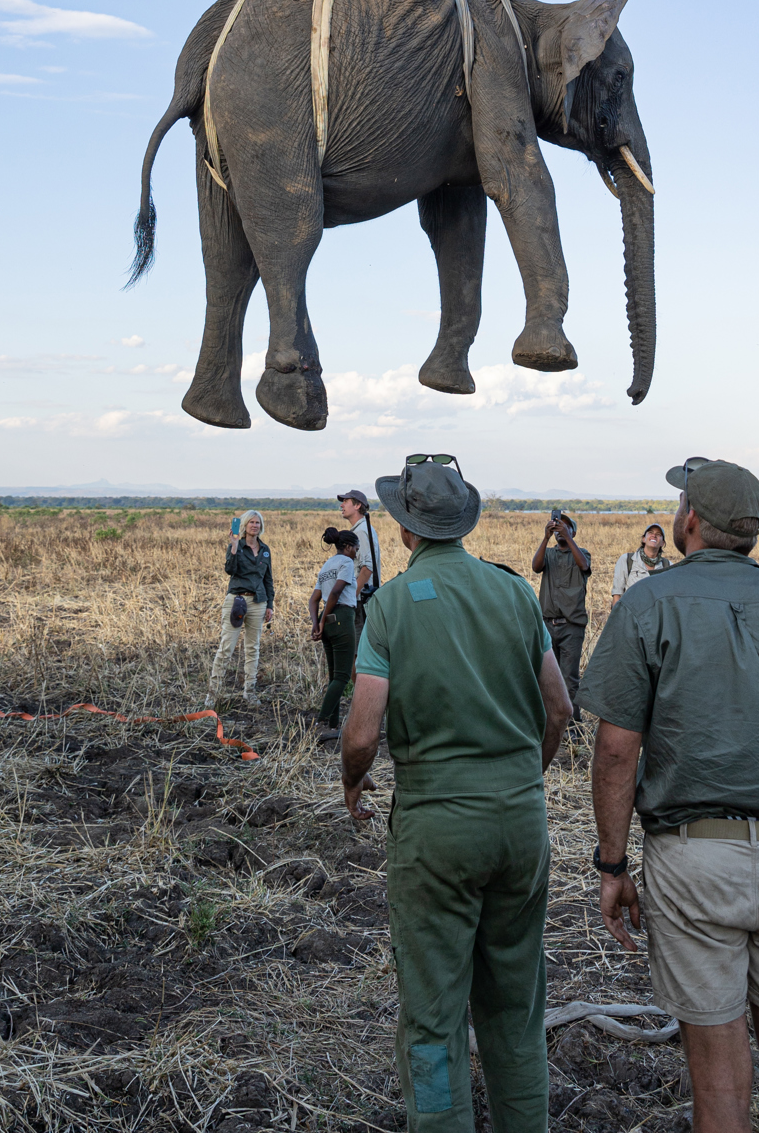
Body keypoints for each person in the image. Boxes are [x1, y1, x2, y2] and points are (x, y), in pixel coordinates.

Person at [578, 456, 759, 1133]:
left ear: (691, 521)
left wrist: (613, 865)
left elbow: (617, 749)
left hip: (694, 860)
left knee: (719, 1089)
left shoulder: (650, 601)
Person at [340, 453, 573, 1133]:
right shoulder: (511, 593)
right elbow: (558, 709)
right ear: (463, 522)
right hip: (520, 822)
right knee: (516, 1007)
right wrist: (525, 777)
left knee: (435, 1012)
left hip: (436, 825)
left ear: (404, 528)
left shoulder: (388, 609)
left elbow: (361, 732)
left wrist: (353, 785)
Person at [204, 509, 274, 707]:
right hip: (237, 600)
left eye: (257, 523)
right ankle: (213, 694)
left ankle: (249, 691)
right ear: (244, 525)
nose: (254, 525)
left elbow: (268, 579)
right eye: (251, 522)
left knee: (253, 648)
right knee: (226, 647)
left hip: (258, 602)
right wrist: (234, 547)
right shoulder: (236, 545)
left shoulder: (265, 550)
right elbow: (230, 570)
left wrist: (270, 605)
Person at [531, 511, 591, 718]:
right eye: (557, 527)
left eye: (565, 527)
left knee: (570, 678)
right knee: (547, 677)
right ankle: (551, 720)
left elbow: (584, 565)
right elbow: (535, 567)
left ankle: (573, 724)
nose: (560, 530)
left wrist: (568, 537)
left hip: (571, 626)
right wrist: (546, 537)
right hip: (548, 625)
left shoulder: (582, 553)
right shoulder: (548, 554)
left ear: (573, 532)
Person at [310, 526, 360, 738]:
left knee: (334, 677)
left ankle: (333, 726)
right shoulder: (347, 563)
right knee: (342, 676)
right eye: (356, 548)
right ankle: (321, 723)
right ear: (348, 547)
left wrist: (317, 622)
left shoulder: (327, 565)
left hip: (326, 620)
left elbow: (313, 599)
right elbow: (337, 591)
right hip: (342, 618)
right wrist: (323, 620)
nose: (356, 552)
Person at [338, 486, 382, 638]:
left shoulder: (361, 532)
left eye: (345, 501)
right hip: (361, 598)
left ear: (357, 506)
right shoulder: (361, 529)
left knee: (356, 650)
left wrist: (351, 598)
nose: (341, 505)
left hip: (360, 600)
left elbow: (367, 569)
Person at [611, 522, 671, 605]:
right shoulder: (627, 560)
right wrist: (616, 617)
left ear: (662, 543)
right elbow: (617, 594)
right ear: (644, 539)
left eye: (658, 534)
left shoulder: (668, 566)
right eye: (650, 533)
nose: (654, 535)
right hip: (631, 616)